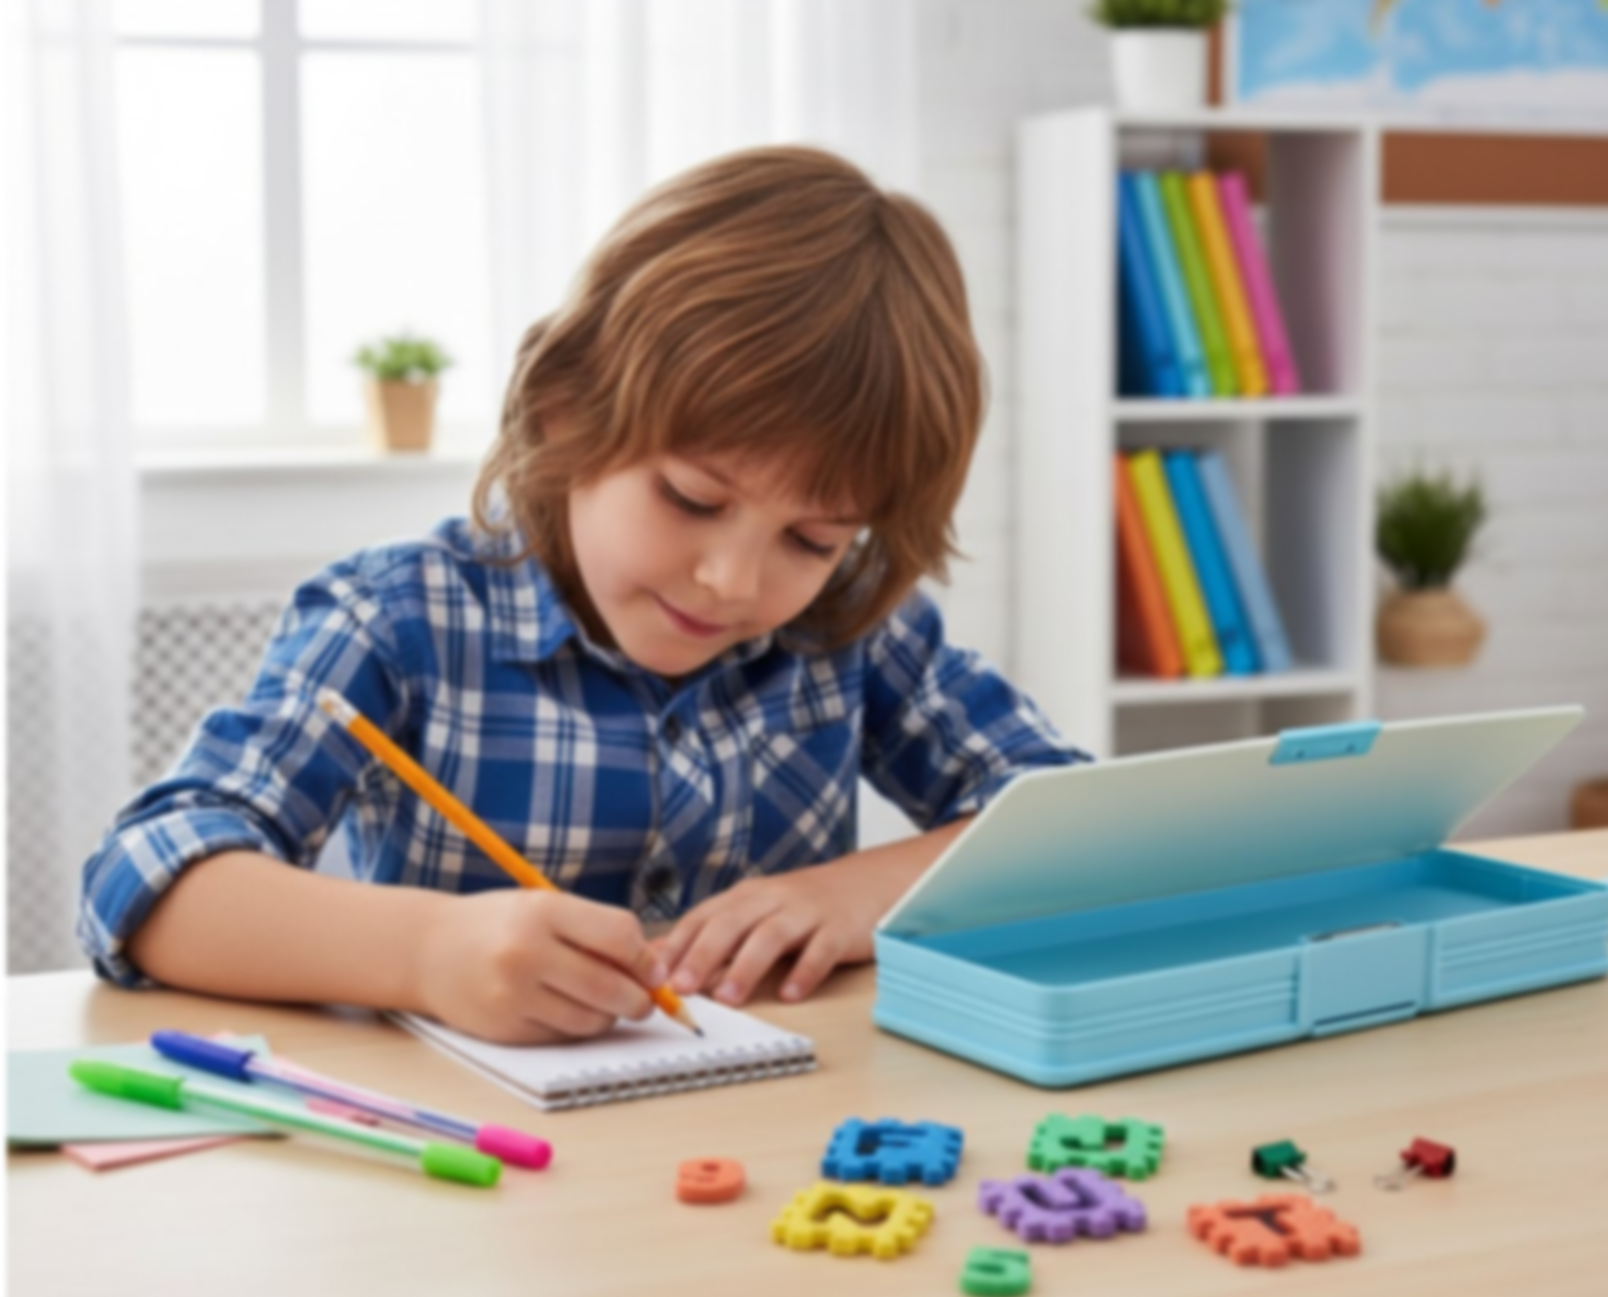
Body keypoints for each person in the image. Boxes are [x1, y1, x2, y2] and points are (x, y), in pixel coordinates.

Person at [80, 146, 1090, 1044]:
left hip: (772, 1168)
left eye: (812, 538)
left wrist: (867, 888)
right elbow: (144, 884)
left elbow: (1079, 829)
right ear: (567, 412)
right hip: (473, 1181)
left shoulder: (853, 628)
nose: (733, 580)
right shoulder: (397, 620)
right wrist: (426, 954)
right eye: (692, 498)